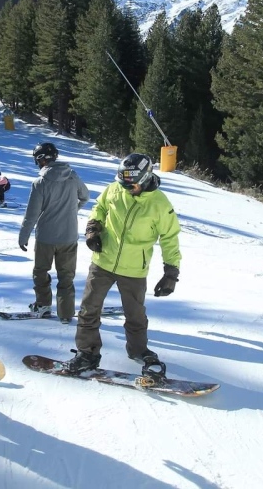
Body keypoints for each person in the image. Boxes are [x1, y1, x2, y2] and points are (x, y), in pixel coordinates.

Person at [65, 153, 181, 374]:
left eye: (133, 185)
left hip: (134, 269)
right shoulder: (114, 189)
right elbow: (99, 207)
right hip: (103, 261)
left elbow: (170, 238)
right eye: (124, 184)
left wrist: (171, 272)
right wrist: (93, 229)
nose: (128, 189)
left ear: (146, 178)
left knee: (135, 314)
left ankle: (138, 350)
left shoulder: (160, 204)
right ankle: (87, 353)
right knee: (89, 310)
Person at [18, 142, 90, 323]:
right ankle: (65, 312)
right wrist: (72, 210)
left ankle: (43, 305)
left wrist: (23, 236)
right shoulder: (72, 177)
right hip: (69, 236)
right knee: (66, 275)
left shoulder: (40, 183)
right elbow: (85, 196)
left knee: (41, 271)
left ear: (41, 160)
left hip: (46, 237)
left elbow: (31, 214)